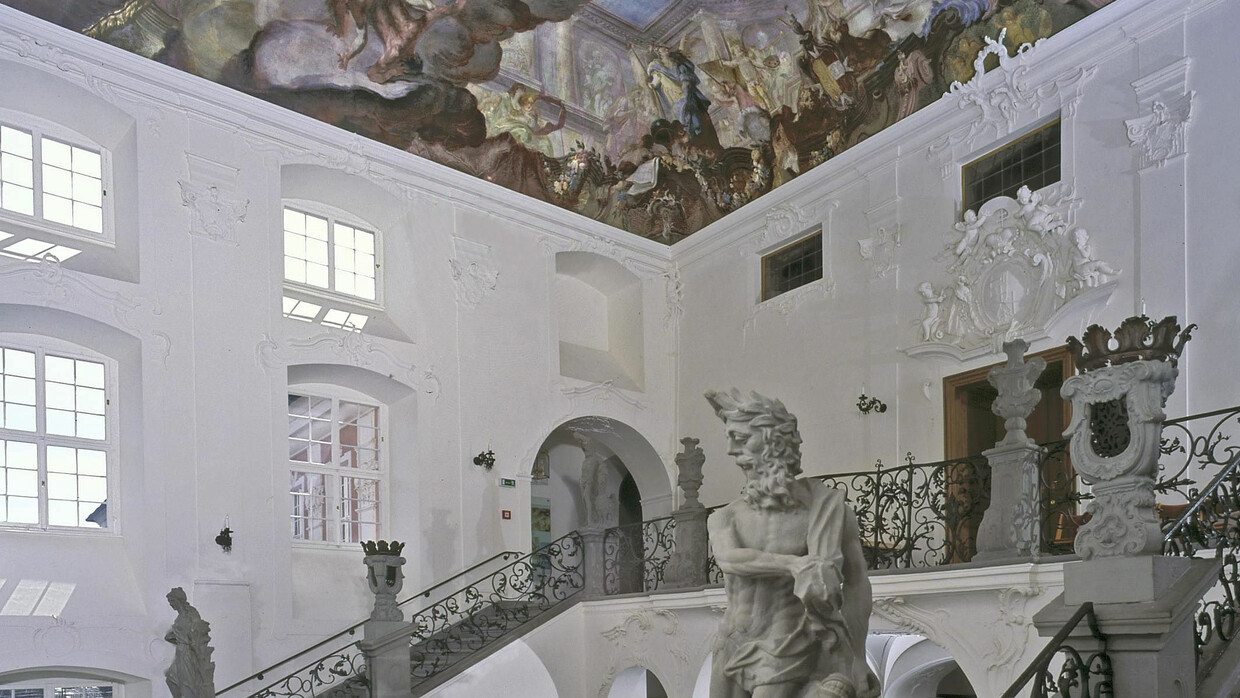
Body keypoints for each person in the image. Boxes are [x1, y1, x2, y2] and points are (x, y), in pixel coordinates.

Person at [706, 389, 879, 698]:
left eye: (740, 438)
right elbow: (729, 558)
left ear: (773, 440)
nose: (731, 451)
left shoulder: (826, 509)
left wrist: (858, 656)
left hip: (786, 644)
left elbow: (856, 583)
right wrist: (794, 564)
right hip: (730, 641)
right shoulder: (726, 516)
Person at [165, 587, 215, 698]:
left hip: (188, 652)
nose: (171, 604)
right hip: (180, 651)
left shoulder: (191, 613)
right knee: (171, 677)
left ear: (178, 600)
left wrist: (195, 649)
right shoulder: (179, 616)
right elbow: (181, 632)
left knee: (187, 683)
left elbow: (197, 630)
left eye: (172, 601)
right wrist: (174, 636)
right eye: (170, 602)